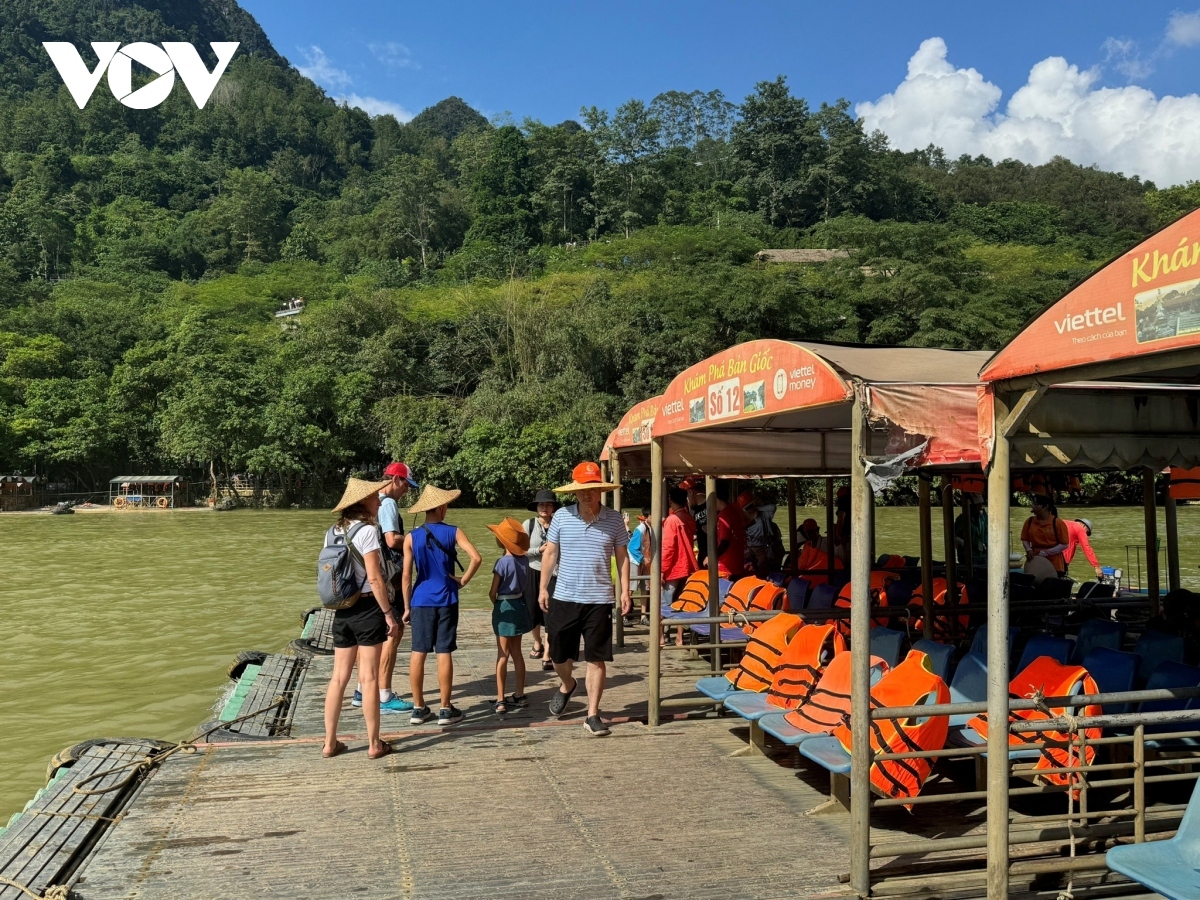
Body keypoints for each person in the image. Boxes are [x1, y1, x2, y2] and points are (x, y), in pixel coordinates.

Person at [539, 461, 631, 737]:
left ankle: (592, 713)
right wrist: (543, 588)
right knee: (557, 652)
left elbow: (623, 557)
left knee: (596, 657)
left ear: (601, 489)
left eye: (592, 488)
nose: (587, 494)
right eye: (582, 489)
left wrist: (625, 590)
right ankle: (568, 684)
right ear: (575, 491)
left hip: (599, 598)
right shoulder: (562, 517)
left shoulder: (614, 519)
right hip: (565, 595)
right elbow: (551, 553)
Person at [322, 477, 400, 760]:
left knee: (338, 678)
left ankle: (330, 743)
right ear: (362, 503)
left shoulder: (332, 531)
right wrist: (388, 614)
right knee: (368, 679)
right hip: (367, 608)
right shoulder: (368, 531)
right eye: (374, 498)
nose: (379, 501)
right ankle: (374, 744)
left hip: (342, 608)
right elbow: (376, 579)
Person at [401, 484, 482, 727]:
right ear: (442, 507)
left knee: (418, 651)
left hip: (420, 600)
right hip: (447, 597)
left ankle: (418, 708)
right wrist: (463, 580)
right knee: (443, 651)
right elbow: (476, 558)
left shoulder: (410, 537)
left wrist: (406, 607)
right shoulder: (454, 532)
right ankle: (445, 710)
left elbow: (406, 577)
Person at [354, 461, 418, 713]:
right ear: (396, 480)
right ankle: (384, 694)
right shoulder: (388, 503)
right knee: (394, 630)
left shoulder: (370, 503)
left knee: (370, 638)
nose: (406, 491)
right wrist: (417, 537)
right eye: (406, 486)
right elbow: (392, 540)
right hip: (389, 578)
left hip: (370, 578)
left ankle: (361, 690)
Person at [487, 517, 532, 714]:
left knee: (502, 654)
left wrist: (496, 604)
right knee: (517, 653)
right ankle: (520, 694)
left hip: (504, 605)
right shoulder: (524, 560)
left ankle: (500, 699)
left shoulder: (501, 563)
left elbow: (492, 592)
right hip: (520, 604)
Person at [523, 489, 559, 671]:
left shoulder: (559, 524)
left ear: (553, 507)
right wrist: (538, 550)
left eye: (548, 504)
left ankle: (548, 653)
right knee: (532, 611)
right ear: (537, 507)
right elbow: (519, 550)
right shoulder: (528, 525)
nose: (545, 508)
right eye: (542, 504)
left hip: (554, 573)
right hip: (532, 571)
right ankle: (537, 643)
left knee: (550, 613)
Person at [661, 487, 698, 646]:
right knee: (682, 603)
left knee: (663, 604)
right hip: (688, 566)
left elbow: (668, 547)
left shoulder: (671, 520)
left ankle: (660, 637)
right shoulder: (688, 518)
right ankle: (680, 638)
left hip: (674, 568)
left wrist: (661, 570)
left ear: (670, 500)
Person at [1020, 494, 1070, 575]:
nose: (1033, 506)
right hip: (1035, 560)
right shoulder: (1029, 521)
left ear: (1046, 506)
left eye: (1036, 504)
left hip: (1054, 563)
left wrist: (1046, 552)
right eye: (1033, 504)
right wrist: (1028, 549)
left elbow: (1065, 544)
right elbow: (1024, 539)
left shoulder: (1057, 522)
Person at [626, 507, 653, 625]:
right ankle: (624, 614)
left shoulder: (651, 529)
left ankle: (643, 616)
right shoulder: (640, 529)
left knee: (645, 588)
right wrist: (642, 558)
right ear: (647, 517)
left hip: (645, 561)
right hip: (636, 561)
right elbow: (632, 547)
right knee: (631, 587)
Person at [714, 484, 747, 579]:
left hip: (726, 567)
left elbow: (725, 542)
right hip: (737, 564)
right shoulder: (735, 511)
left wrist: (712, 557)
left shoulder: (724, 515)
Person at [953, 492, 988, 570]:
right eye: (978, 505)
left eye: (981, 504)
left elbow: (988, 532)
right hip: (969, 557)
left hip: (983, 555)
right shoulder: (961, 519)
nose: (980, 507)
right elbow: (953, 536)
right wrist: (960, 541)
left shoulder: (983, 517)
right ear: (971, 506)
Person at [682, 478, 708, 567]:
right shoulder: (692, 511)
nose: (686, 501)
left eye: (686, 497)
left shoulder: (712, 504)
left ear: (690, 492)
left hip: (716, 551)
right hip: (702, 552)